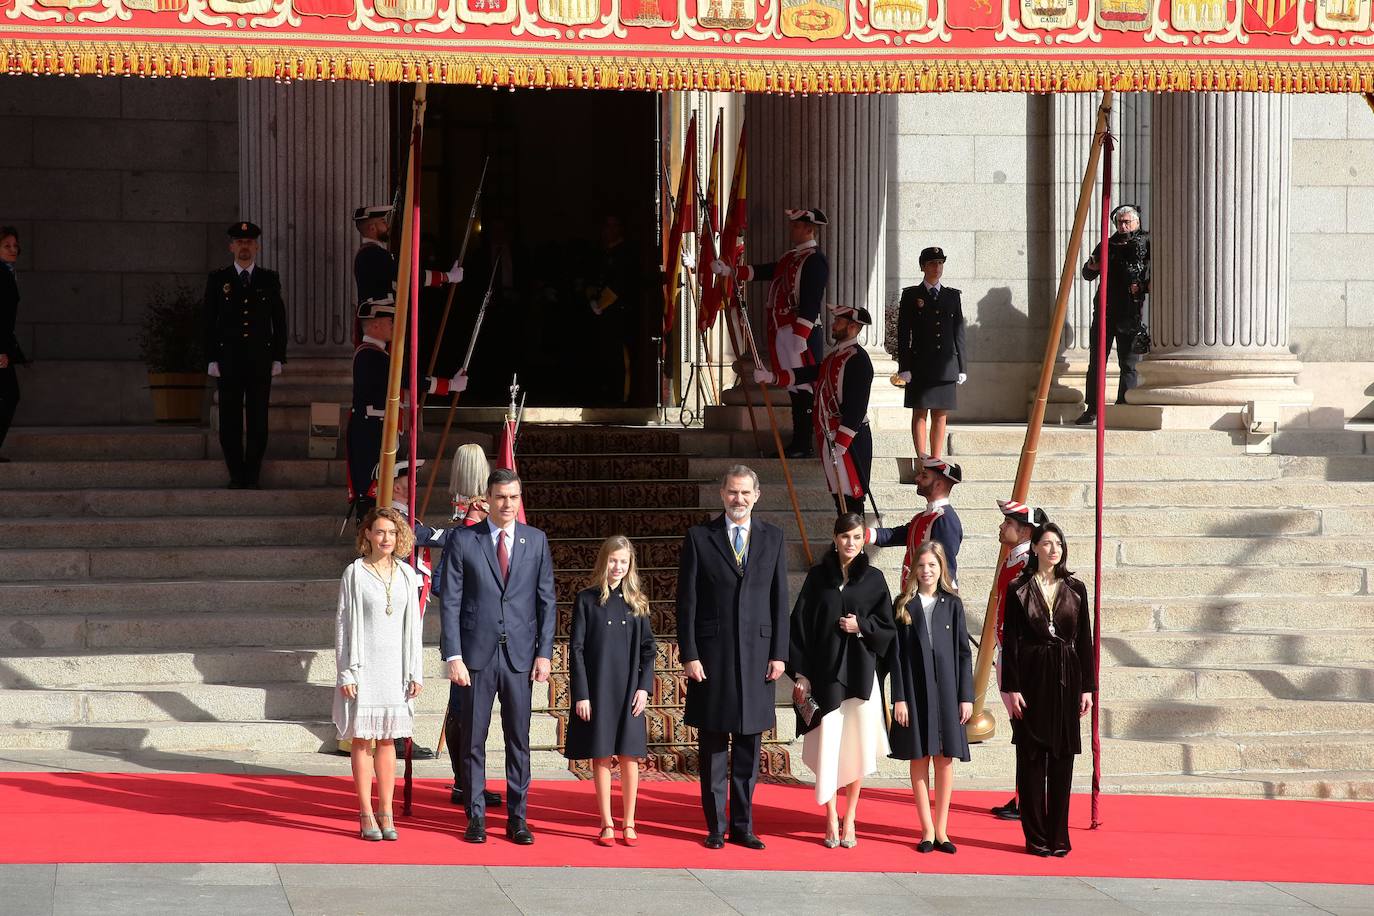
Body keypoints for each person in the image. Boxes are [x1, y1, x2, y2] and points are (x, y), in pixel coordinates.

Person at [438, 468, 557, 846]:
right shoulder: (464, 540)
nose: (507, 504)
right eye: (501, 497)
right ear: (487, 499)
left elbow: (546, 602)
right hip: (475, 656)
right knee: (473, 738)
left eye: (514, 497)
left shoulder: (535, 541)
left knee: (518, 740)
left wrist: (544, 653)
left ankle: (517, 818)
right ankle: (475, 817)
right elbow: (451, 602)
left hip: (520, 656)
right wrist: (453, 655)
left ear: (520, 499)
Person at [676, 465, 789, 850]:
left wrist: (780, 654)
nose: (737, 499)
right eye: (731, 492)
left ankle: (743, 825)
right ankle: (715, 826)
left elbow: (779, 599)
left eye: (744, 493)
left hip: (758, 657)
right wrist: (689, 653)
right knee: (711, 749)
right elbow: (686, 602)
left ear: (756, 495)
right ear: (721, 494)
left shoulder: (773, 538)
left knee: (747, 748)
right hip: (712, 657)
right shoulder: (699, 537)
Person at [787, 513, 895, 848]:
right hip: (825, 675)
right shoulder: (818, 577)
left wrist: (861, 626)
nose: (850, 542)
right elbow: (799, 625)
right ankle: (831, 816)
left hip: (860, 675)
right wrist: (801, 674)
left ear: (864, 540)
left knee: (856, 747)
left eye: (857, 537)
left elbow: (888, 629)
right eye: (845, 536)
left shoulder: (874, 580)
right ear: (835, 538)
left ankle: (851, 819)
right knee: (828, 746)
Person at [1000, 522, 1096, 857]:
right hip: (1030, 675)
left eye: (1058, 543)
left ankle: (1059, 836)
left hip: (1066, 677)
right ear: (1035, 548)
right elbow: (1010, 640)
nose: (1054, 549)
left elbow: (1085, 640)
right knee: (1030, 758)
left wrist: (1088, 687)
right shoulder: (1018, 588)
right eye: (1047, 543)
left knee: (1061, 758)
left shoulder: (1077, 588)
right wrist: (1011, 687)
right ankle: (1036, 836)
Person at [333, 506, 424, 842]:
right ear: (367, 535)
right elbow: (343, 624)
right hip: (364, 666)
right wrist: (346, 672)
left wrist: (416, 670)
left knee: (388, 740)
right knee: (362, 739)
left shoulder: (406, 575)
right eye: (380, 531)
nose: (387, 538)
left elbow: (414, 626)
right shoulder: (354, 573)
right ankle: (365, 811)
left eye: (393, 532)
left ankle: (386, 809)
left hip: (396, 668)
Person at [565, 535, 657, 847]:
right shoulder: (587, 599)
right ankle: (606, 823)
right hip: (598, 689)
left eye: (623, 561)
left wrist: (645, 689)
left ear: (630, 565)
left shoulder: (638, 604)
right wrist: (582, 693)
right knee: (601, 755)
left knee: (630, 757)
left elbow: (648, 650)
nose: (617, 567)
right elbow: (575, 649)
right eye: (613, 560)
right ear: (604, 561)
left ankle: (629, 822)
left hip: (630, 690)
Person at [714, 208, 829, 458]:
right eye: (793, 226)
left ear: (810, 228)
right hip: (783, 329)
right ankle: (797, 442)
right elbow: (767, 271)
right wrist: (732, 271)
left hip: (800, 330)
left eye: (797, 226)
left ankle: (803, 443)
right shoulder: (791, 257)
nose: (793, 230)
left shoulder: (815, 260)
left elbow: (811, 298)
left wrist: (801, 333)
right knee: (792, 386)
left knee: (805, 386)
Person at [344, 295, 466, 521]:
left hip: (380, 432)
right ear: (376, 324)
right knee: (373, 489)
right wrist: (447, 385)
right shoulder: (369, 355)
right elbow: (404, 378)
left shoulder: (377, 354)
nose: (393, 326)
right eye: (390, 322)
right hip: (371, 434)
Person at [888, 540, 973, 855]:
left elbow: (964, 655)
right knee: (919, 756)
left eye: (932, 566)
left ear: (941, 569)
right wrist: (899, 698)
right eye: (921, 565)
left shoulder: (952, 604)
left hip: (948, 692)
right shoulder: (903, 606)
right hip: (914, 691)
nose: (926, 571)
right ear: (913, 569)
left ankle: (942, 830)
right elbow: (896, 658)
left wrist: (966, 696)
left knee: (945, 758)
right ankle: (925, 829)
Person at [755, 303, 875, 516]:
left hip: (849, 439)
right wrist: (773, 376)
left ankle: (856, 547)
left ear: (853, 327)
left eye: (839, 321)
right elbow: (810, 373)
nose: (834, 324)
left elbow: (857, 407)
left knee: (852, 497)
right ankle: (841, 544)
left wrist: (842, 443)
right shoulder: (833, 357)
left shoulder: (859, 360)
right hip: (831, 436)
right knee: (838, 496)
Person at [440, 442, 503, 809]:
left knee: (474, 714)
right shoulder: (463, 531)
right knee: (462, 710)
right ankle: (463, 781)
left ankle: (468, 779)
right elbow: (444, 587)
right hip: (466, 631)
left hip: (491, 631)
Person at [204, 221, 287, 489]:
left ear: (257, 247)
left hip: (259, 361)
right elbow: (208, 321)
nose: (244, 247)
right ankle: (236, 474)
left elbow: (279, 320)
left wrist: (278, 357)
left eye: (249, 242)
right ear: (231, 246)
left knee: (258, 419)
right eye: (239, 242)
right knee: (229, 421)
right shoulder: (219, 279)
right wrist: (210, 358)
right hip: (228, 361)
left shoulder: (268, 279)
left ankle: (252, 475)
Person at [989, 499, 1049, 822]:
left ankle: (1029, 797)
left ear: (1024, 530)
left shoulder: (1028, 563)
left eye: (1008, 523)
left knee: (1026, 730)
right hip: (1008, 653)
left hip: (1021, 659)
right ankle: (1022, 794)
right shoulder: (1016, 559)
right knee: (1020, 729)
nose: (1002, 527)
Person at [1077, 204, 1151, 425]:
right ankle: (1093, 408)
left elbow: (1157, 273)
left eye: (1127, 222)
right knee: (1096, 361)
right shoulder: (1107, 245)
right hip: (1105, 311)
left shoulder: (1145, 244)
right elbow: (1087, 273)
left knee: (1128, 362)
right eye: (1120, 222)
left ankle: (1125, 405)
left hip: (1131, 311)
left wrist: (1144, 286)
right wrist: (1094, 267)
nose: (1123, 226)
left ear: (1137, 223)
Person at [895, 247, 966, 459]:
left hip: (945, 365)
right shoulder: (911, 295)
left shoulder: (952, 296)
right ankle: (922, 458)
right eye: (932, 263)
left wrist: (962, 367)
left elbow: (959, 332)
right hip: (920, 364)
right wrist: (904, 367)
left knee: (940, 414)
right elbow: (903, 333)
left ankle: (935, 459)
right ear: (923, 267)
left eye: (940, 263)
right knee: (920, 412)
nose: (937, 268)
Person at [867, 454, 964, 589]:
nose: (917, 478)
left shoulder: (945, 519)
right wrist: (863, 534)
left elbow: (946, 567)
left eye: (924, 476)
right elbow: (896, 535)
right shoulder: (923, 517)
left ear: (939, 484)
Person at [585, 214, 639, 406]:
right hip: (600, 316)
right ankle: (604, 396)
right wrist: (592, 299)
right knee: (602, 357)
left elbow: (620, 284)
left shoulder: (626, 253)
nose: (609, 230)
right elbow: (592, 279)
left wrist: (600, 304)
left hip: (619, 315)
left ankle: (620, 399)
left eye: (613, 226)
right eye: (606, 226)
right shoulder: (601, 253)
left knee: (619, 360)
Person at [0, 226, 26, 462]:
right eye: (6, 245)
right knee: (10, 395)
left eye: (15, 245)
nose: (13, 249)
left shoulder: (8, 273)